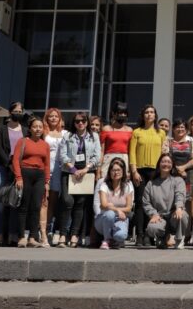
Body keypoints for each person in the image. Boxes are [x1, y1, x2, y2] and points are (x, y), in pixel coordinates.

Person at [56, 111, 101, 247]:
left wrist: (86, 169)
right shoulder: (68, 136)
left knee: (80, 204)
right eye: (77, 121)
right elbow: (62, 155)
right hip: (69, 171)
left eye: (83, 121)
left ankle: (74, 235)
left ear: (87, 122)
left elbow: (97, 156)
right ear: (74, 123)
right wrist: (73, 169)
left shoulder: (94, 136)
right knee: (67, 201)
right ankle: (63, 234)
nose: (80, 123)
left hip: (86, 173)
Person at [0, 102, 27, 246]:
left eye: (20, 111)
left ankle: (12, 236)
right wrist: (10, 164)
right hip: (3, 168)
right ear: (10, 112)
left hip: (19, 170)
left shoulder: (25, 130)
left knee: (14, 202)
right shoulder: (2, 129)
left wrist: (17, 167)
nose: (17, 113)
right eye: (15, 111)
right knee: (0, 202)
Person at [130, 104, 166, 246]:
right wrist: (134, 171)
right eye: (147, 112)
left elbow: (164, 154)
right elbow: (132, 153)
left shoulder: (161, 133)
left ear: (155, 116)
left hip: (155, 172)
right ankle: (139, 234)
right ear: (143, 115)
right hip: (140, 171)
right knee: (140, 202)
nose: (149, 114)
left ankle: (149, 235)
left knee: (153, 203)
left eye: (152, 112)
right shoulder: (136, 132)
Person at [13, 117, 50, 248]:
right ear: (30, 128)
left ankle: (33, 237)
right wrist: (18, 177)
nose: (38, 129)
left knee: (36, 206)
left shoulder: (45, 145)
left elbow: (47, 164)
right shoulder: (22, 141)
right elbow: (15, 160)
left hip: (39, 176)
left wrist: (47, 181)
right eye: (35, 126)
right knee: (23, 206)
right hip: (25, 174)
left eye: (40, 127)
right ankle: (21, 237)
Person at [141, 153, 190, 249]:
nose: (166, 164)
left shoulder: (178, 180)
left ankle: (179, 239)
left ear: (172, 165)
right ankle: (163, 237)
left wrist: (179, 207)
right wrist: (153, 214)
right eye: (163, 161)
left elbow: (180, 195)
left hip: (173, 215)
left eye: (168, 162)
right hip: (160, 217)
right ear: (159, 164)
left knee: (183, 215)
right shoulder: (151, 184)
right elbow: (146, 202)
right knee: (151, 228)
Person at [42, 107, 68, 246]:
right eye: (50, 116)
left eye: (56, 116)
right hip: (45, 167)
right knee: (44, 201)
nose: (53, 118)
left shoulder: (65, 133)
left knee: (54, 201)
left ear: (60, 119)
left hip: (60, 168)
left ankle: (50, 230)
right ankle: (43, 230)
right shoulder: (43, 132)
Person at [94, 158, 133, 249]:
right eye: (113, 170)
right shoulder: (104, 185)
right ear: (109, 172)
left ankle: (115, 239)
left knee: (120, 236)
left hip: (120, 219)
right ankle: (106, 240)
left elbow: (129, 208)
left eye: (118, 170)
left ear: (123, 171)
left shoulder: (128, 186)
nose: (116, 172)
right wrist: (117, 210)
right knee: (110, 214)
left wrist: (112, 207)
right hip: (104, 219)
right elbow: (103, 205)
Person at [100, 102, 133, 175]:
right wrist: (99, 169)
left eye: (125, 113)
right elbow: (101, 151)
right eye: (120, 113)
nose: (123, 115)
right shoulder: (106, 129)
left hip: (124, 158)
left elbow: (130, 151)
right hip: (108, 158)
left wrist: (131, 170)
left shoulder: (129, 130)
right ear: (114, 114)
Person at [166, 119, 193, 194]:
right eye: (177, 127)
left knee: (187, 195)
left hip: (188, 174)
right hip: (173, 172)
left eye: (182, 127)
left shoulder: (191, 142)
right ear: (173, 129)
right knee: (172, 194)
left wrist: (183, 168)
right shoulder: (168, 141)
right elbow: (166, 158)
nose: (180, 129)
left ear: (186, 130)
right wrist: (178, 169)